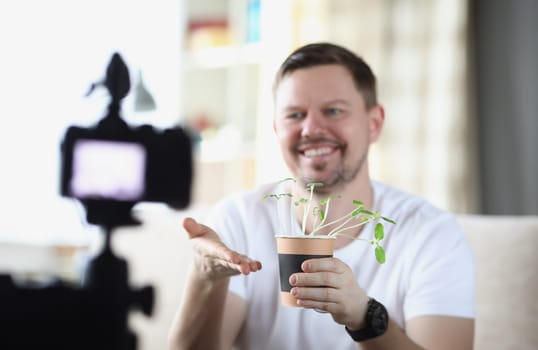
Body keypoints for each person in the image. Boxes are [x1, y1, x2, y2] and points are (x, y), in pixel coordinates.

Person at [168, 42, 475, 350]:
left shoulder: (431, 233)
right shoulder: (238, 219)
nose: (311, 128)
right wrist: (204, 278)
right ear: (276, 129)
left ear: (374, 123)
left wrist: (366, 318)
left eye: (333, 111)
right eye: (295, 115)